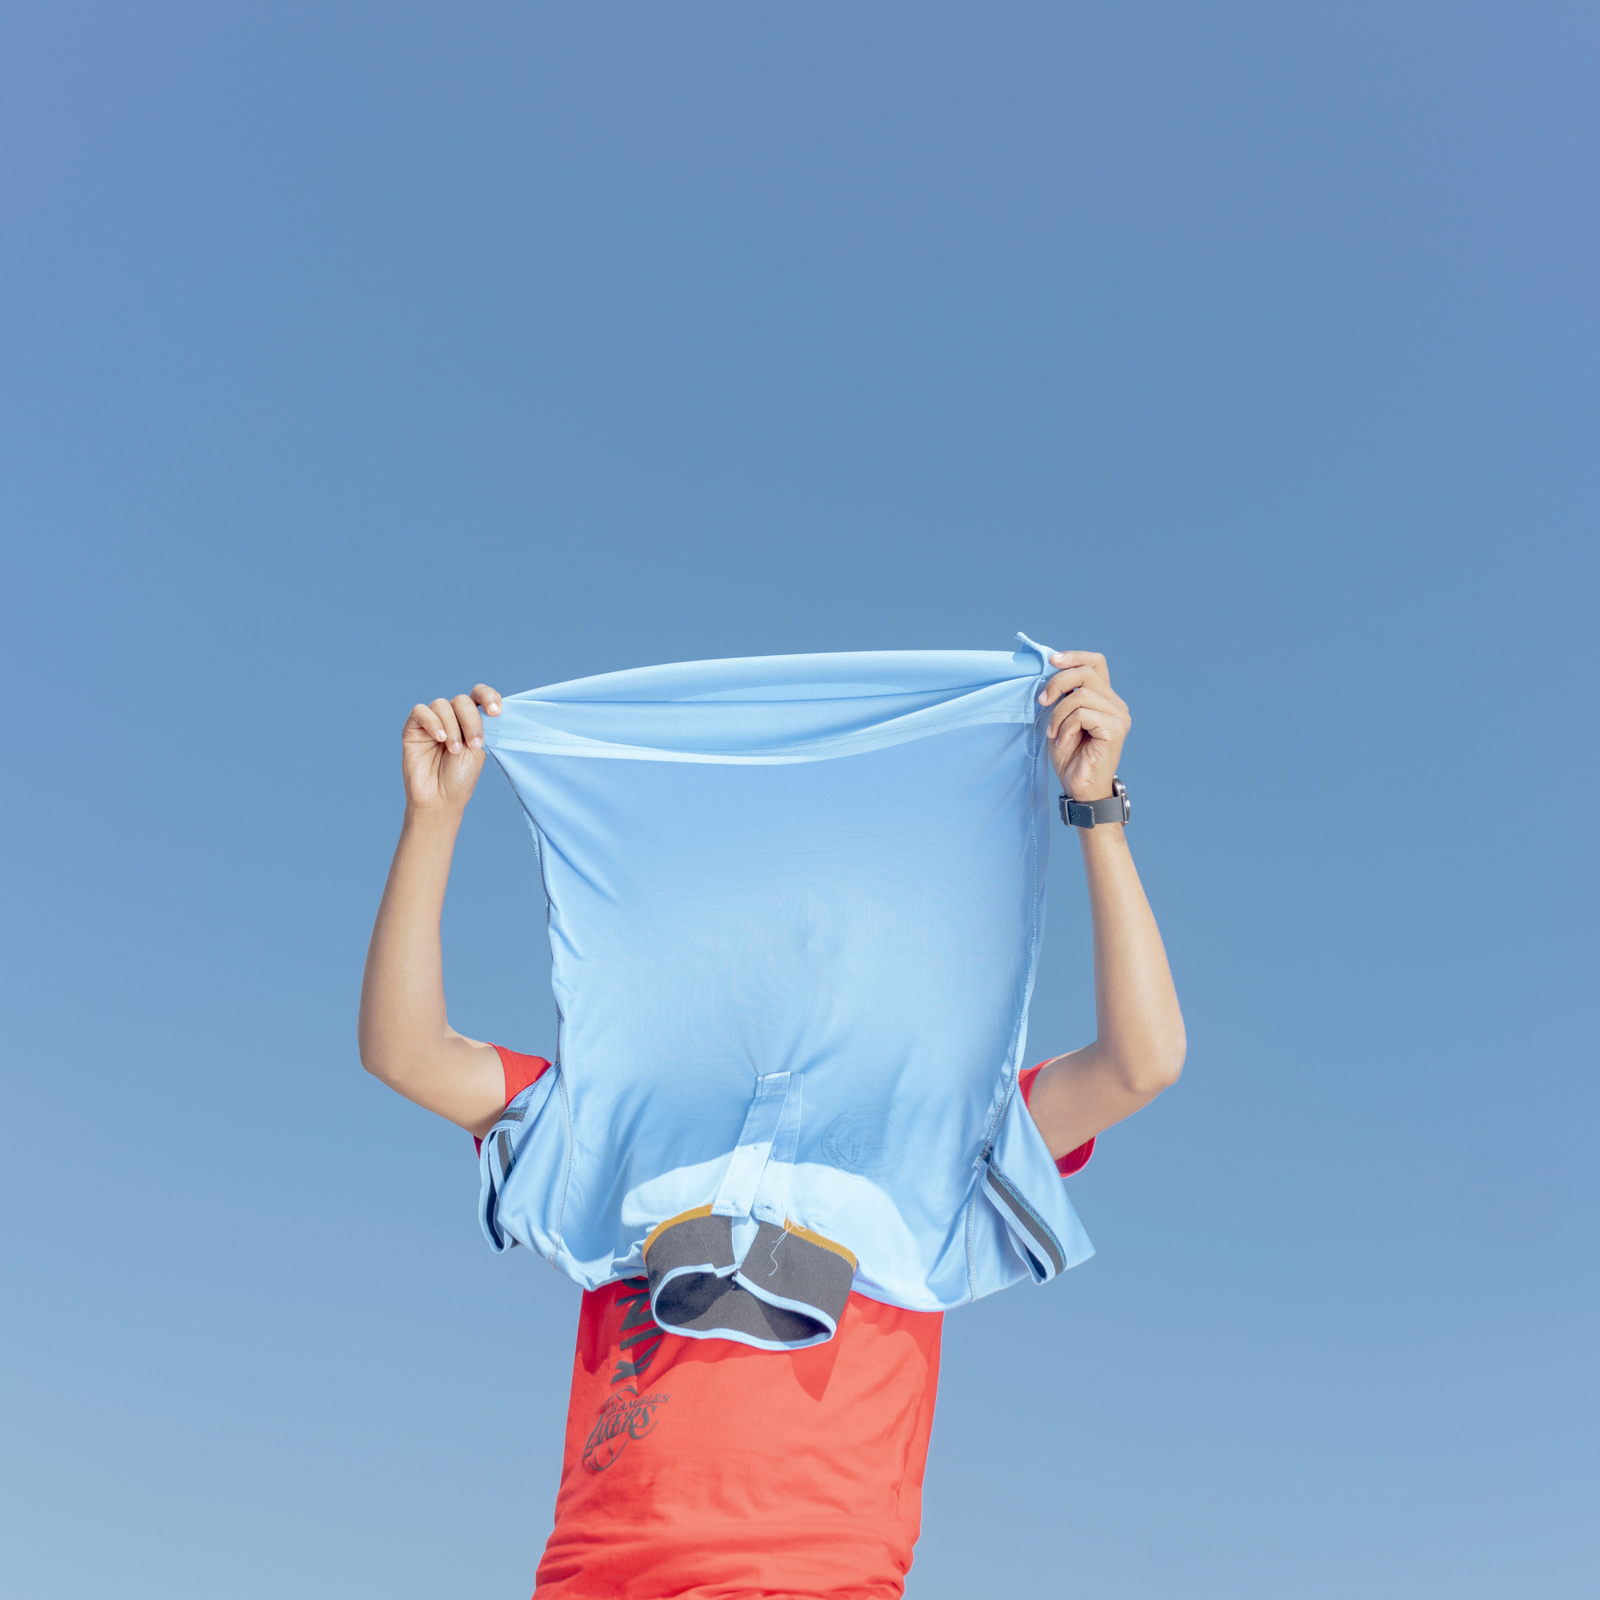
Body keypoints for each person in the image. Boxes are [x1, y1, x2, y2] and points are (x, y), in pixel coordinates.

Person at [358, 648, 1185, 1600]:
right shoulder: (619, 1113)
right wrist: (435, 818)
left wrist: (1096, 813)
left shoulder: (940, 1127)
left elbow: (1142, 1061)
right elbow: (405, 1052)